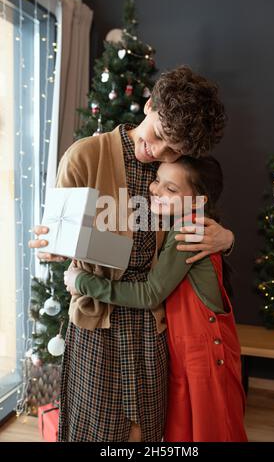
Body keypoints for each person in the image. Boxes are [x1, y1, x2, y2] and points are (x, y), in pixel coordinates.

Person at [28, 66, 234, 442]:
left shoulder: (171, 169)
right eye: (158, 136)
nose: (158, 152)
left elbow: (197, 218)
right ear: (149, 104)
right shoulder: (85, 157)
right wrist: (51, 249)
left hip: (152, 326)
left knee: (148, 432)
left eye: (175, 149)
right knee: (97, 433)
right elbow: (56, 242)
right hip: (97, 323)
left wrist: (226, 237)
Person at [64, 155, 247, 442]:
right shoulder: (174, 224)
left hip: (204, 357)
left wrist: (83, 282)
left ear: (198, 201)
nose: (156, 190)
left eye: (171, 189)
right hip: (190, 353)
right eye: (158, 180)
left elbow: (150, 293)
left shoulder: (189, 230)